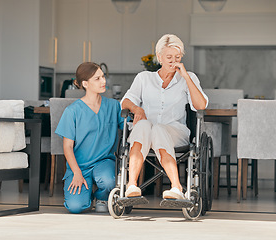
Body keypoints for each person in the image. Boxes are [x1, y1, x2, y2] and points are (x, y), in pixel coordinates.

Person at [121, 34, 208, 200]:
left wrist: (187, 78)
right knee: (144, 125)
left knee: (159, 129)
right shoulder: (144, 78)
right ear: (159, 57)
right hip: (145, 133)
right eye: (169, 57)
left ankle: (176, 187)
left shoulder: (187, 78)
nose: (173, 61)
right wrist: (136, 108)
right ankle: (131, 185)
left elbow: (201, 106)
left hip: (175, 133)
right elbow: (125, 102)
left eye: (177, 57)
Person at [55, 62, 124, 213]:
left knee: (109, 182)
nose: (103, 81)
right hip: (79, 166)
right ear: (85, 83)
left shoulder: (114, 106)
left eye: (103, 76)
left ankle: (102, 197)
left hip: (104, 162)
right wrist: (77, 173)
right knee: (76, 207)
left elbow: (128, 127)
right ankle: (87, 197)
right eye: (97, 78)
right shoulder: (72, 111)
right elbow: (67, 147)